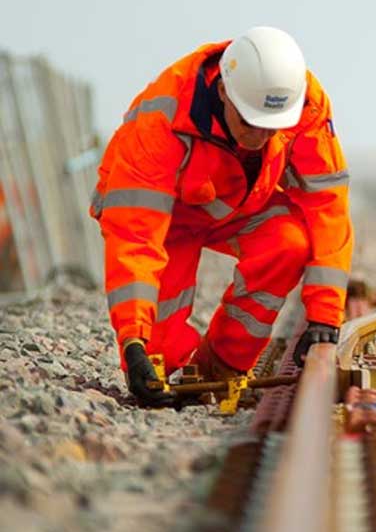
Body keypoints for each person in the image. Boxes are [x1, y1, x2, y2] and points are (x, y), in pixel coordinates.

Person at [90, 26, 353, 406]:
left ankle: (221, 368)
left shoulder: (303, 103)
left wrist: (325, 315)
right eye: (250, 123)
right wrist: (132, 341)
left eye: (272, 128)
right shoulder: (163, 119)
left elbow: (328, 204)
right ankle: (163, 362)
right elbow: (136, 234)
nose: (262, 138)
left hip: (238, 202)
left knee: (290, 243)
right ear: (225, 91)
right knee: (155, 356)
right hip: (169, 220)